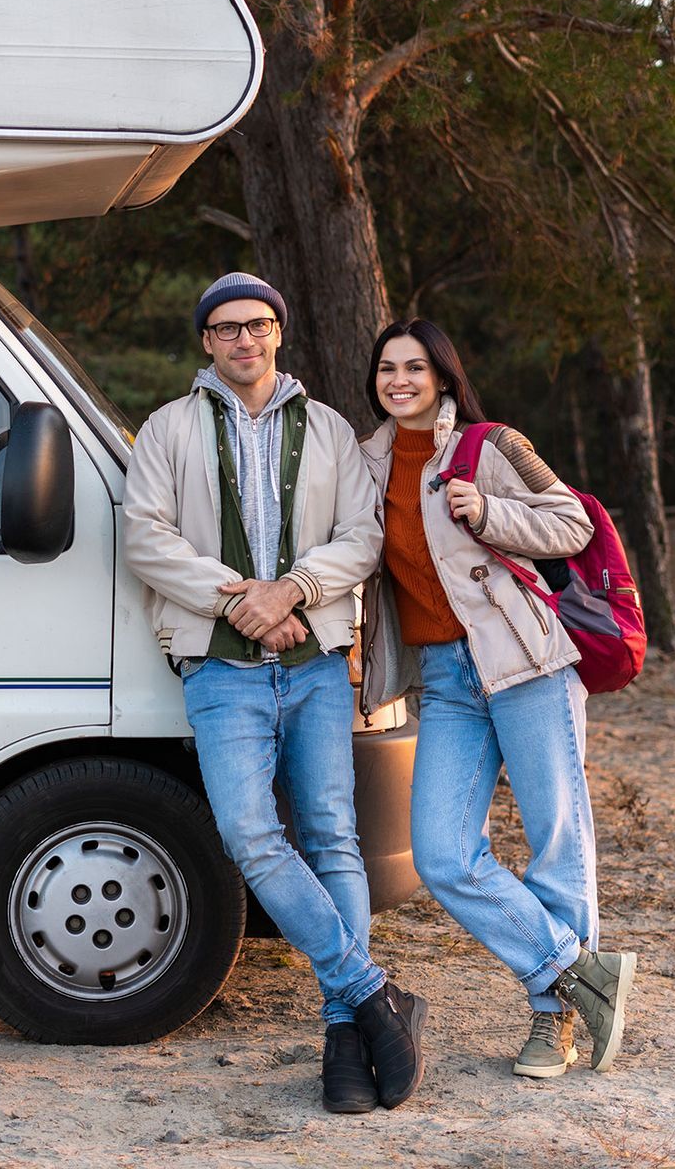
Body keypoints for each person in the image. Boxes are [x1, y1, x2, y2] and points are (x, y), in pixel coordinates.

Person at [123, 273, 428, 1114]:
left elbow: (363, 538)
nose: (243, 340)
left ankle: (343, 1033)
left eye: (257, 325)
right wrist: (240, 601)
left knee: (333, 837)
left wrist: (289, 590)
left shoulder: (327, 429)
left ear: (278, 333)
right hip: (221, 671)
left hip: (317, 665)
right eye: (225, 328)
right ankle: (373, 995)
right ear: (206, 342)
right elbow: (145, 539)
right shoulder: (168, 429)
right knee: (251, 836)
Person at [358, 317, 637, 1078]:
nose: (400, 381)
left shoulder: (491, 444)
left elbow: (573, 521)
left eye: (416, 368)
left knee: (557, 839)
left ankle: (555, 1020)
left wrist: (490, 514)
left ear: (443, 377)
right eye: (388, 369)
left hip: (528, 663)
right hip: (445, 680)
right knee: (443, 854)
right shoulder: (364, 464)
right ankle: (573, 973)